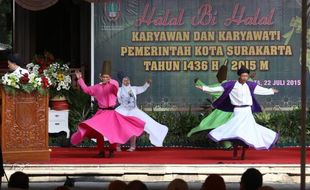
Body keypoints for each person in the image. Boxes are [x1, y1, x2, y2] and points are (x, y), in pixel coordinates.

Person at [196, 66, 279, 160]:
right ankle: (235, 151)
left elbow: (261, 90)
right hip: (238, 111)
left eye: (246, 76)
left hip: (247, 111)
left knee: (248, 131)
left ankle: (243, 152)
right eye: (243, 76)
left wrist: (271, 91)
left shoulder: (250, 85)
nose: (245, 78)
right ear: (239, 76)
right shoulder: (231, 85)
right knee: (236, 131)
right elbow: (217, 89)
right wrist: (204, 88)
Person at [70, 61, 145, 158]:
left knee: (113, 132)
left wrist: (110, 80)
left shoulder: (112, 86)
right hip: (101, 113)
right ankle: (101, 151)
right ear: (100, 77)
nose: (105, 78)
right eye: (103, 77)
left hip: (111, 113)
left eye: (107, 77)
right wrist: (80, 79)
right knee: (98, 132)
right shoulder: (96, 87)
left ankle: (111, 150)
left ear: (109, 77)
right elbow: (87, 90)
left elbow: (116, 85)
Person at [115, 77, 168, 151]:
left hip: (133, 111)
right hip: (122, 110)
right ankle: (118, 146)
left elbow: (142, 88)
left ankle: (132, 146)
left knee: (133, 128)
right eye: (124, 80)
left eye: (128, 80)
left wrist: (147, 84)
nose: (126, 82)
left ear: (130, 81)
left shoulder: (133, 89)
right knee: (119, 128)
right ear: (122, 82)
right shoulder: (119, 90)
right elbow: (111, 93)